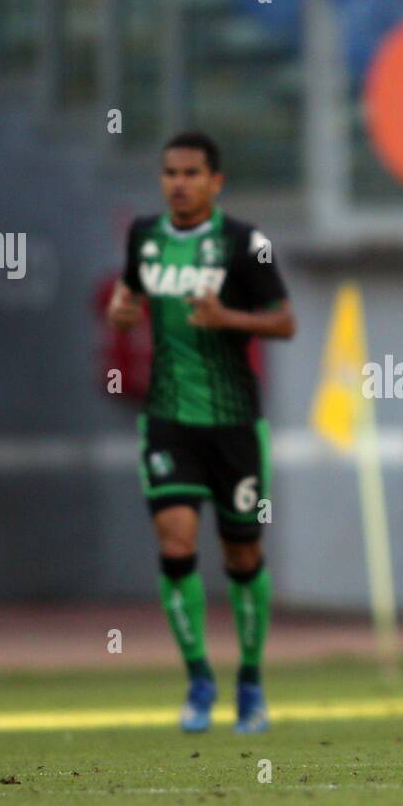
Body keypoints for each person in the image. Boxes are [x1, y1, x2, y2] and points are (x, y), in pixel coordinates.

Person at [106, 131, 295, 733]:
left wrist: (226, 318)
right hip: (167, 418)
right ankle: (197, 679)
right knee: (177, 542)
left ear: (216, 181)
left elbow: (285, 320)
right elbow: (128, 292)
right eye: (170, 173)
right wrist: (121, 306)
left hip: (235, 420)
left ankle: (250, 681)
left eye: (191, 173)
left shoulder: (247, 243)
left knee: (242, 552)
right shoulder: (144, 235)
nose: (178, 183)